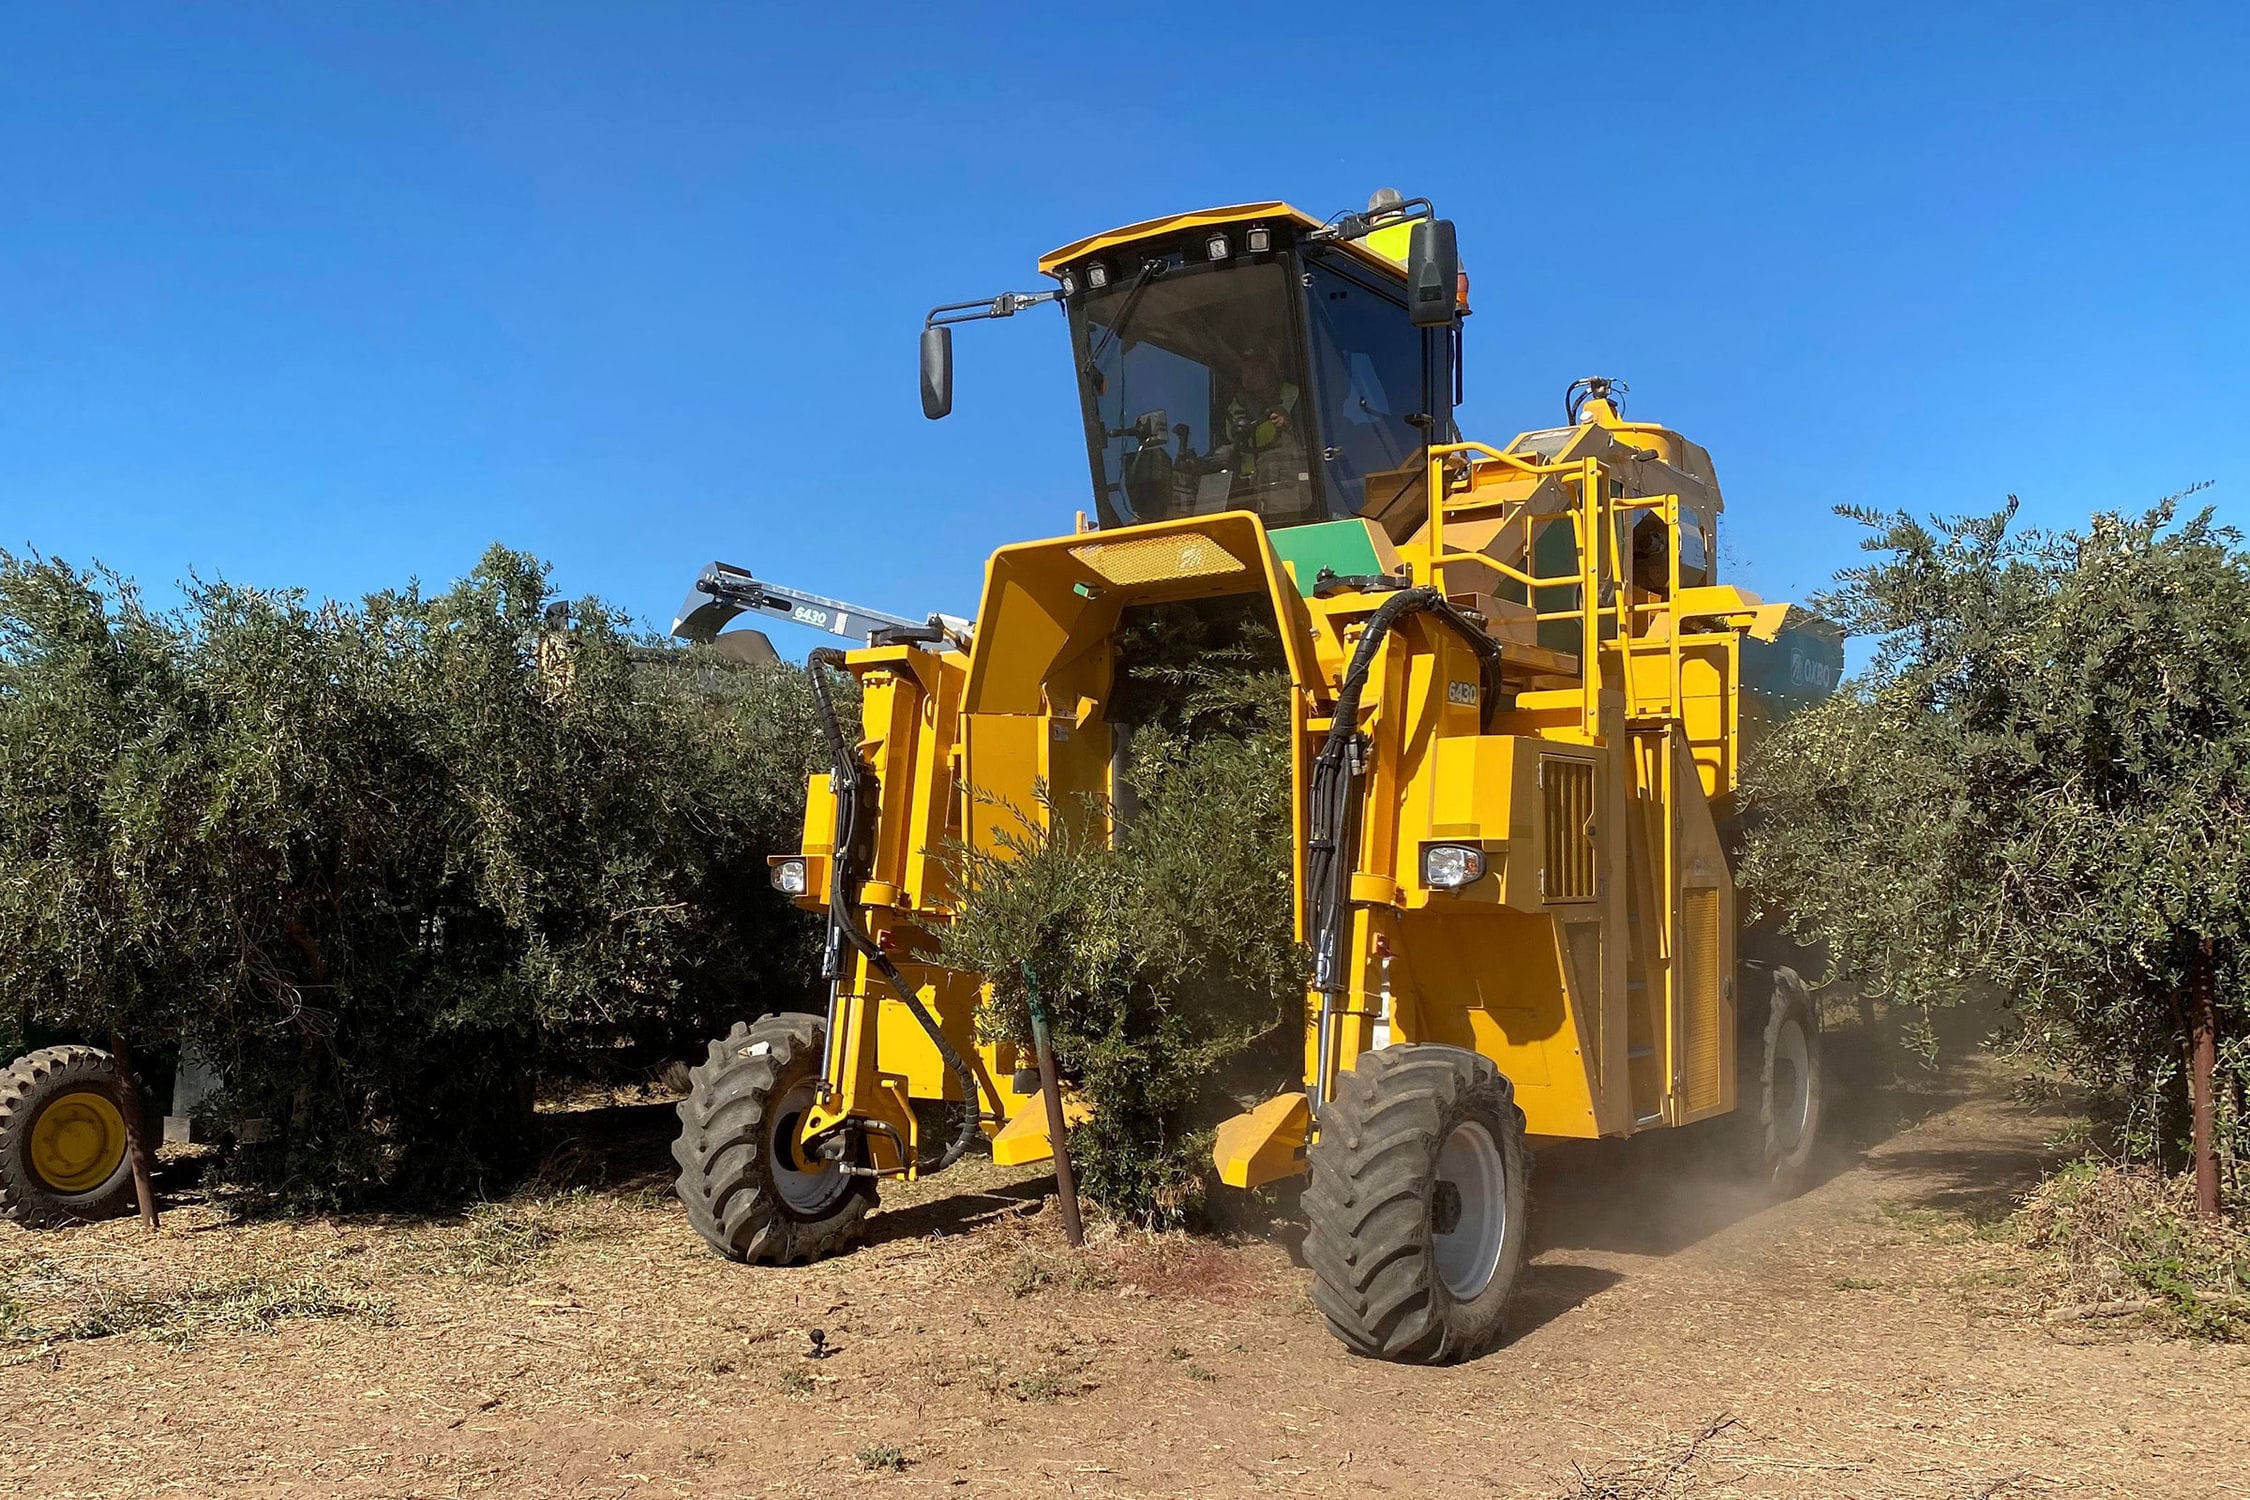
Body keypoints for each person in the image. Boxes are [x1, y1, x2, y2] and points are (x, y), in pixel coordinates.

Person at [1221, 341, 1301, 484]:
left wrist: (1289, 426)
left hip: (1286, 482)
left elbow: (1313, 444)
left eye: (1257, 366)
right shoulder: (1231, 408)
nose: (1251, 372)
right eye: (1246, 367)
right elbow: (1223, 450)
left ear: (1271, 368)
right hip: (1245, 487)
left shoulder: (1296, 396)